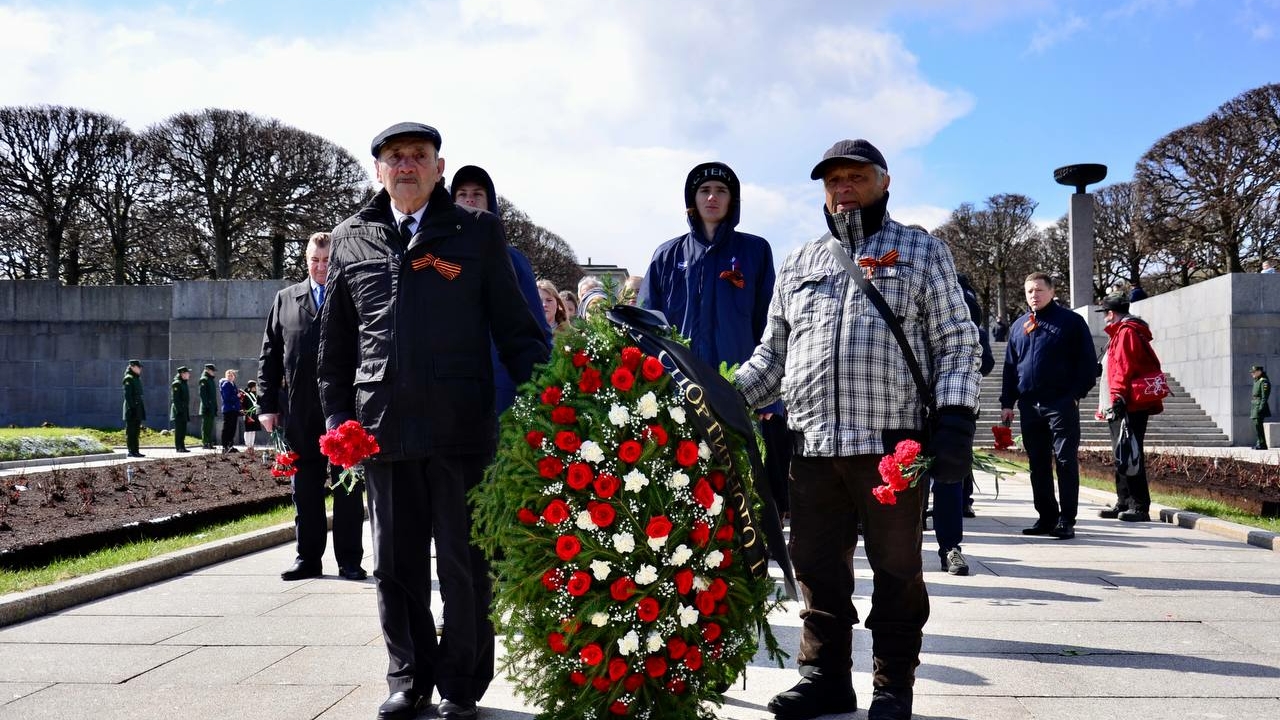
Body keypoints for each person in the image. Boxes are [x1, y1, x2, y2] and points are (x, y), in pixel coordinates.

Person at [735, 139, 979, 720]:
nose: (843, 186)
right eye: (832, 179)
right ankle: (825, 678)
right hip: (813, 448)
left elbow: (956, 341)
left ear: (885, 181)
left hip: (892, 447)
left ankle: (893, 685)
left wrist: (954, 421)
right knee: (817, 570)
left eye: (856, 176)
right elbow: (773, 357)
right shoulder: (801, 261)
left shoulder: (921, 249)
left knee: (897, 572)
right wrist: (714, 397)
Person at [317, 121, 548, 720]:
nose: (406, 166)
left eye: (418, 156)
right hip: (381, 430)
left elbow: (518, 332)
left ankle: (461, 682)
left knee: (465, 562)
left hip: (460, 428)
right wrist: (341, 417)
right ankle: (408, 676)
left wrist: (548, 402)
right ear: (378, 171)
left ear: (439, 167)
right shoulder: (351, 238)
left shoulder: (476, 233)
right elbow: (336, 346)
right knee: (395, 564)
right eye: (394, 158)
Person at [638, 161, 787, 518]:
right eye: (704, 191)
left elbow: (772, 325)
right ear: (692, 199)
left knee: (741, 484)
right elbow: (646, 327)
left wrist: (771, 397)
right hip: (678, 390)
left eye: (721, 191)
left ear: (733, 200)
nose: (712, 197)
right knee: (685, 483)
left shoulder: (755, 251)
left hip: (739, 390)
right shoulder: (667, 255)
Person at [258, 232, 366, 582]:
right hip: (299, 410)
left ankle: (350, 560)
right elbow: (270, 355)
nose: (320, 267)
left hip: (343, 409)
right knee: (304, 489)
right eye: (314, 261)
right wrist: (266, 405)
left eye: (327, 261)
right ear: (305, 261)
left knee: (348, 488)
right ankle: (308, 558)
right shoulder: (286, 299)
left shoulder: (351, 297)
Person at [1000, 272, 1097, 540]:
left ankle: (1067, 519)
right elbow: (1010, 367)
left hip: (1061, 403)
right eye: (1029, 290)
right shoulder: (1019, 326)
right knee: (1038, 463)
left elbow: (1088, 365)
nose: (1034, 295)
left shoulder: (1071, 322)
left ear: (1052, 291)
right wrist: (1007, 402)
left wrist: (1075, 395)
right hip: (1029, 406)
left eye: (1039, 290)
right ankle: (1046, 517)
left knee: (1065, 460)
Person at [450, 164, 551, 413]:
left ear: (490, 202)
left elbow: (535, 326)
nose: (469, 200)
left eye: (477, 194)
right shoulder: (434, 256)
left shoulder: (512, 259)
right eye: (462, 194)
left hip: (500, 385)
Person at [929, 273, 995, 575]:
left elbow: (985, 358)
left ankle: (950, 547)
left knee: (949, 477)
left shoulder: (957, 294)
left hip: (949, 404)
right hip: (902, 403)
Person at [1095, 293, 1157, 522]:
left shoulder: (1126, 332)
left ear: (1110, 314)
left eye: (1105, 315)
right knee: (1122, 452)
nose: (1104, 320)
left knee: (1130, 452)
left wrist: (1119, 396)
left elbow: (1123, 366)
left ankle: (1139, 506)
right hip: (1121, 402)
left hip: (1127, 403)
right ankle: (1124, 502)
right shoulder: (1122, 332)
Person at [122, 359, 145, 458]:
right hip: (131, 408)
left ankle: (136, 450)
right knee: (131, 431)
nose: (140, 369)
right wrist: (132, 408)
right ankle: (131, 451)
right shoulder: (129, 378)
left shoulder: (136, 378)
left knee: (136, 431)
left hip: (137, 407)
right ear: (132, 367)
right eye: (138, 367)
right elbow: (128, 396)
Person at [218, 369, 241, 453]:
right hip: (228, 409)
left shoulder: (232, 384)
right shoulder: (226, 384)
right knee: (227, 428)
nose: (230, 377)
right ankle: (225, 446)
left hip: (233, 409)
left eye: (232, 375)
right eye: (228, 375)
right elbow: (226, 397)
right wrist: (236, 396)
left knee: (232, 428)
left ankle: (230, 445)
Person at [170, 366, 191, 453]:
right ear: (182, 374)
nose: (189, 375)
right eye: (187, 373)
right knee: (179, 430)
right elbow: (175, 399)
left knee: (183, 429)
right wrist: (180, 410)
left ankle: (182, 446)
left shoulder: (184, 383)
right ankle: (178, 447)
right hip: (178, 411)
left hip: (184, 410)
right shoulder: (177, 383)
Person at [1252, 365, 1272, 449]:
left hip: (1259, 405)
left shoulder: (1264, 381)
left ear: (1259, 372)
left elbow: (1264, 397)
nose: (1252, 374)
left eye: (1254, 372)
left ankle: (1262, 444)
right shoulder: (1257, 381)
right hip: (1255, 405)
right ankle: (1259, 442)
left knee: (1258, 425)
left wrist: (1261, 407)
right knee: (1257, 425)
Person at [199, 364, 218, 449]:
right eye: (212, 371)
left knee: (210, 426)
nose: (214, 372)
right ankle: (205, 442)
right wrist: (207, 406)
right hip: (206, 407)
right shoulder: (204, 380)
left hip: (211, 407)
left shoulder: (210, 380)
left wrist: (215, 406)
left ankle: (209, 442)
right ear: (207, 370)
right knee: (206, 426)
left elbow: (213, 396)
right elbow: (203, 395)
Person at [239, 380, 260, 452]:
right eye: (255, 386)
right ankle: (248, 445)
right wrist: (244, 411)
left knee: (253, 431)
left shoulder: (256, 394)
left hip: (254, 414)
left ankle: (252, 445)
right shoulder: (245, 395)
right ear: (251, 387)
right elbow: (243, 405)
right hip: (248, 414)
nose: (256, 388)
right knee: (248, 430)